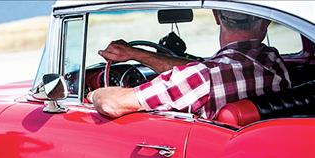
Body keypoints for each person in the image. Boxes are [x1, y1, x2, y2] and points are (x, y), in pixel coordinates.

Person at [87, 10, 291, 119]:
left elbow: (111, 104)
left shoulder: (200, 80)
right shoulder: (272, 61)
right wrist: (136, 54)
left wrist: (93, 94)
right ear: (265, 23)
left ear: (216, 17)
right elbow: (205, 68)